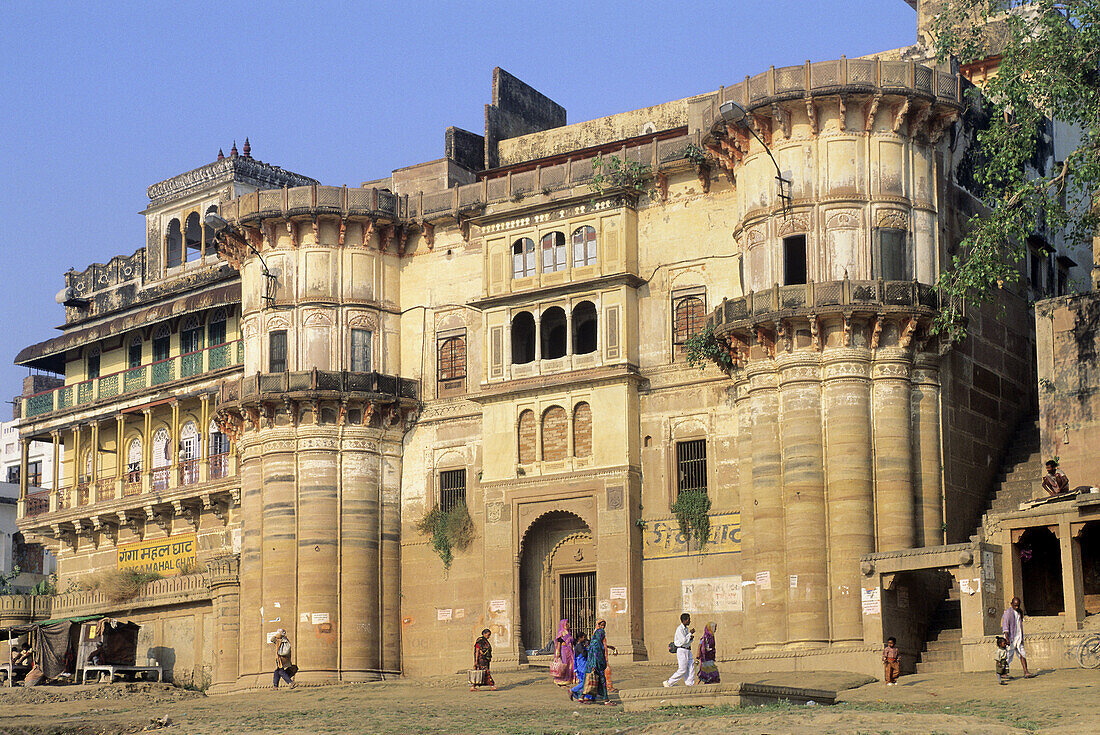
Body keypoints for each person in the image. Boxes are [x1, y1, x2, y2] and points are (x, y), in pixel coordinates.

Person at [1001, 596, 1035, 678]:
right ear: (1011, 604)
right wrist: (1006, 638)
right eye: (1015, 605)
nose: (1016, 607)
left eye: (1018, 605)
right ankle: (1003, 673)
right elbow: (1005, 626)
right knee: (1008, 656)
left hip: (1018, 637)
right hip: (1010, 638)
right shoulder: (1007, 613)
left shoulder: (1020, 612)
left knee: (1022, 654)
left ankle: (1026, 672)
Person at [664, 612, 696, 688]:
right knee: (682, 669)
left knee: (691, 666)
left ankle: (689, 683)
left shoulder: (686, 629)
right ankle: (669, 682)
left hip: (687, 650)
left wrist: (691, 638)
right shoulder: (679, 629)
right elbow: (683, 641)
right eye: (689, 620)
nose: (689, 621)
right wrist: (690, 634)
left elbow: (687, 641)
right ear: (685, 620)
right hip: (681, 650)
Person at [585, 626, 614, 704]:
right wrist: (594, 665)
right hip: (596, 666)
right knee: (601, 682)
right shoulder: (595, 643)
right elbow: (594, 655)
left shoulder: (598, 642)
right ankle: (605, 699)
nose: (603, 636)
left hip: (599, 666)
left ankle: (602, 698)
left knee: (599, 682)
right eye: (602, 634)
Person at [595, 620, 617, 691]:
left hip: (603, 654)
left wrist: (609, 647)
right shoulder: (597, 633)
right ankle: (608, 687)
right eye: (601, 625)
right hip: (600, 655)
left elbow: (602, 643)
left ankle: (606, 687)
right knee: (606, 670)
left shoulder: (601, 632)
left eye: (604, 625)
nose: (603, 627)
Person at [552, 619, 574, 687]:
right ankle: (561, 680)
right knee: (563, 665)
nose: (568, 625)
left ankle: (567, 679)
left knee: (568, 665)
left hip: (569, 651)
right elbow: (559, 642)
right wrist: (557, 652)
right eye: (566, 623)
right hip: (563, 651)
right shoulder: (561, 633)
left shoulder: (568, 633)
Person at [569, 631, 589, 702]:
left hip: (581, 667)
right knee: (585, 682)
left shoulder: (579, 645)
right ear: (580, 638)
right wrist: (587, 648)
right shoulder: (579, 646)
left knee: (583, 682)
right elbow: (584, 654)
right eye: (584, 637)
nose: (585, 638)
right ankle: (572, 690)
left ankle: (583, 697)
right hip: (582, 667)